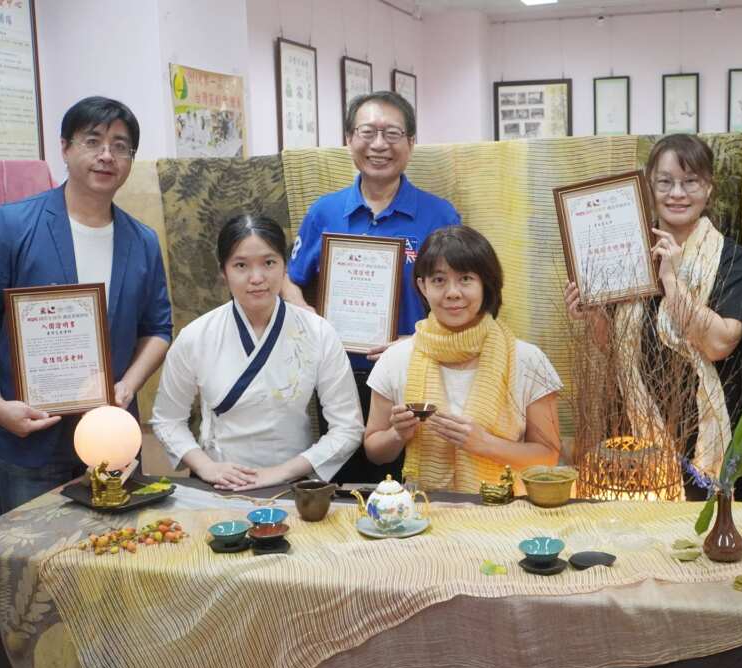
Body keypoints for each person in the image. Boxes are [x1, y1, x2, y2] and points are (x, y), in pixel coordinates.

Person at [0, 96, 172, 513]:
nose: (107, 155)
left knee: (116, 545)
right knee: (31, 550)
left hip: (111, 435)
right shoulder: (11, 225)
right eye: (93, 141)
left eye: (120, 146)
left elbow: (157, 329)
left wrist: (127, 385)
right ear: (65, 148)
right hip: (31, 435)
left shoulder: (142, 241)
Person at [564, 134, 742, 500]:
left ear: (709, 189)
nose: (677, 193)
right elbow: (612, 348)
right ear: (648, 187)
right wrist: (591, 313)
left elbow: (719, 344)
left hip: (705, 433)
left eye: (690, 182)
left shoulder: (732, 259)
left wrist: (671, 278)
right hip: (634, 426)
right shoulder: (628, 252)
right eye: (665, 182)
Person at [282, 91, 460, 484]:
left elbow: (463, 299)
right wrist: (308, 315)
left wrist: (416, 341)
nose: (379, 144)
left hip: (412, 376)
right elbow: (291, 279)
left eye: (392, 133)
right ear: (349, 139)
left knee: (411, 488)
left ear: (411, 143)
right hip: (338, 378)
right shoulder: (324, 212)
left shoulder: (439, 214)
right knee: (343, 489)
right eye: (367, 132)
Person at [151, 215, 362, 490]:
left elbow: (348, 427)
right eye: (241, 265)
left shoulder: (318, 332)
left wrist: (282, 472)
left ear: (285, 266)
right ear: (223, 272)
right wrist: (206, 467)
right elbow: (167, 420)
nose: (257, 278)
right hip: (219, 480)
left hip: (294, 481)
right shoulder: (195, 336)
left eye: (269, 263)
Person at [364, 225, 562, 493]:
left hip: (507, 509)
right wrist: (397, 434)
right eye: (439, 280)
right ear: (422, 286)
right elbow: (375, 452)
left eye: (466, 279)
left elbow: (548, 456)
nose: (453, 292)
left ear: (485, 284)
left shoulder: (528, 360)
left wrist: (485, 444)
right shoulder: (396, 360)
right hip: (423, 510)